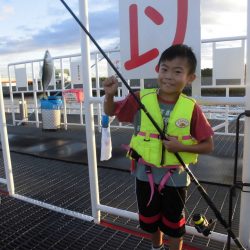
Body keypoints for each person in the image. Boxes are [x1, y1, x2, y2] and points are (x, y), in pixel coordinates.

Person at [103, 44, 214, 250]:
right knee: (149, 219)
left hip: (177, 176)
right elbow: (111, 111)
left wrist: (180, 146)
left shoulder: (191, 108)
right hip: (144, 174)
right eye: (165, 69)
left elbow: (208, 145)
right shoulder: (139, 98)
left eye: (178, 71)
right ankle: (156, 247)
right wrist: (109, 95)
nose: (169, 76)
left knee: (174, 224)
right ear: (157, 70)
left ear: (190, 78)